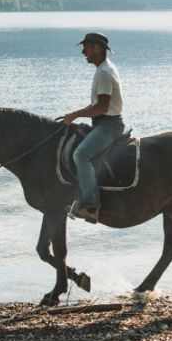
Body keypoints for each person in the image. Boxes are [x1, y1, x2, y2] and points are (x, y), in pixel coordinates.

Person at [60, 32, 124, 223]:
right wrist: (75, 114)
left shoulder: (104, 73)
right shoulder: (104, 69)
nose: (83, 52)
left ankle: (90, 205)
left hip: (108, 126)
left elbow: (102, 107)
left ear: (97, 48)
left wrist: (76, 115)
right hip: (103, 123)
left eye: (86, 47)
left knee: (80, 155)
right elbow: (97, 105)